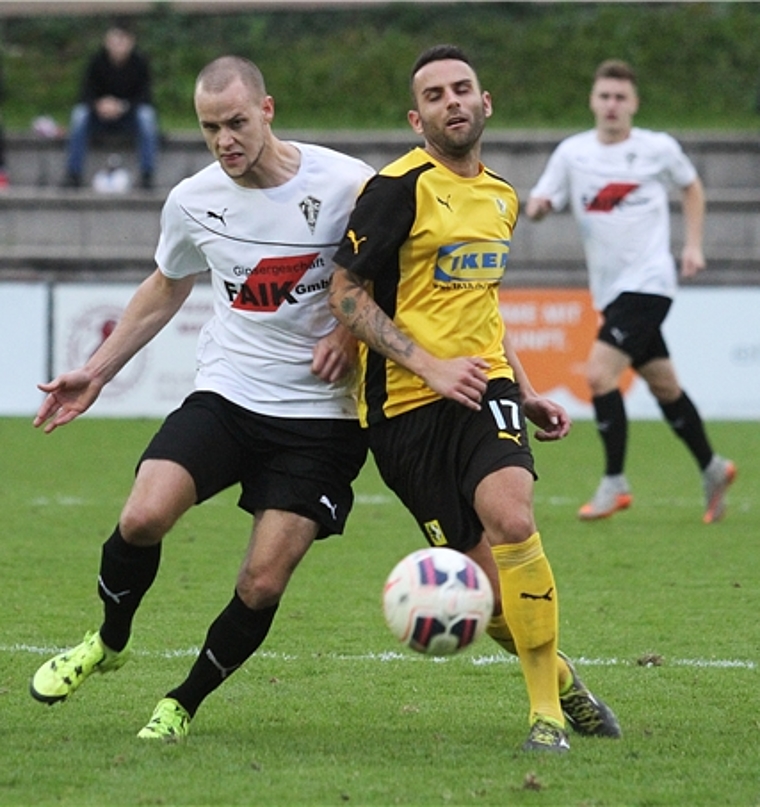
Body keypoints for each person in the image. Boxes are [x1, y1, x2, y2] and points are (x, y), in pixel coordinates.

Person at [30, 55, 374, 740]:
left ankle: (182, 700)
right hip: (228, 397)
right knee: (140, 517)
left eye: (237, 123)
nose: (225, 141)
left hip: (321, 420)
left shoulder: (348, 184)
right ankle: (109, 639)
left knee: (262, 583)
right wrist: (96, 369)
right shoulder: (193, 199)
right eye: (210, 127)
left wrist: (347, 329)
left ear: (267, 110)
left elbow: (388, 272)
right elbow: (166, 286)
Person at [329, 44, 620, 753]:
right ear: (416, 116)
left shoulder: (502, 196)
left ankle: (545, 716)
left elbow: (483, 302)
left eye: (463, 89)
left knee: (510, 515)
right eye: (435, 95)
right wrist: (426, 364)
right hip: (401, 408)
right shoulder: (398, 189)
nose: (452, 101)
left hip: (482, 388)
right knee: (484, 593)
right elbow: (344, 292)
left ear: (485, 103)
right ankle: (568, 680)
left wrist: (521, 384)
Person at [525, 59, 736, 524]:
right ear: (593, 102)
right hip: (612, 292)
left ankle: (614, 483)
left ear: (634, 104)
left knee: (600, 375)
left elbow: (692, 188)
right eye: (605, 96)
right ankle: (713, 467)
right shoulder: (572, 153)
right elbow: (542, 202)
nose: (612, 105)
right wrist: (538, 207)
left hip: (651, 283)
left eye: (621, 97)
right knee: (665, 386)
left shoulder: (657, 149)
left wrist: (693, 246)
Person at [62, 23, 159, 190]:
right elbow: (85, 93)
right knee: (79, 115)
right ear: (107, 42)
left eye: (123, 41)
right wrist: (98, 105)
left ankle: (147, 174)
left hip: (129, 116)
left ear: (131, 42)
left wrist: (123, 106)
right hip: (99, 116)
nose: (118, 46)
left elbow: (145, 96)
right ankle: (73, 173)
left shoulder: (140, 63)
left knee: (147, 116)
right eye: (114, 41)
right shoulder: (96, 62)